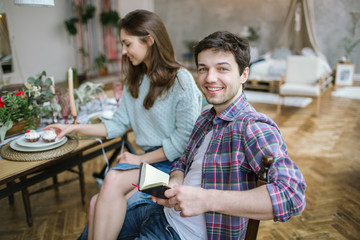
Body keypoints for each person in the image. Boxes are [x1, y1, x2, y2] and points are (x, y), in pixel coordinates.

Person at [103, 30, 307, 240]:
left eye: (222, 69)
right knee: (98, 219)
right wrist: (175, 180)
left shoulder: (252, 126)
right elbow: (182, 162)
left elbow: (292, 194)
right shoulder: (205, 118)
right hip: (162, 214)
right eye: (203, 69)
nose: (210, 78)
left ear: (244, 74)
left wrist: (207, 200)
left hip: (181, 234)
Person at [45, 10, 202, 240]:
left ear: (149, 40)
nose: (123, 51)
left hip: (175, 171)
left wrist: (138, 159)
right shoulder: (135, 81)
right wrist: (72, 128)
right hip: (150, 165)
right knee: (96, 201)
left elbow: (182, 142)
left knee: (113, 179)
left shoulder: (181, 80)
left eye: (127, 44)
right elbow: (116, 125)